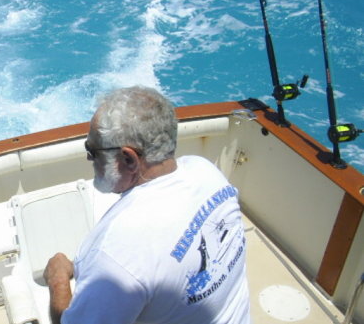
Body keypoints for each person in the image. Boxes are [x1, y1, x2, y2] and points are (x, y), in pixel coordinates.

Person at [44, 86, 251, 324]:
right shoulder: (206, 170)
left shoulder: (116, 253)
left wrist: (58, 280)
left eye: (92, 151)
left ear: (128, 159)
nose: (89, 159)